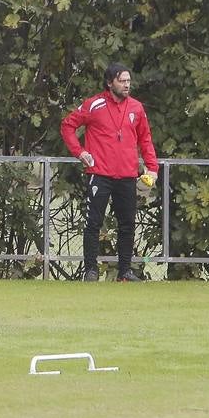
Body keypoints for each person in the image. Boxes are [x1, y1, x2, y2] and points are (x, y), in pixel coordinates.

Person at [60, 62, 159, 282]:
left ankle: (125, 271)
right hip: (100, 173)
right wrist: (80, 152)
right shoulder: (93, 104)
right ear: (109, 82)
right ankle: (91, 270)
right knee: (93, 222)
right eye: (122, 81)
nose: (126, 85)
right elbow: (67, 126)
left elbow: (145, 139)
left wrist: (152, 167)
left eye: (128, 81)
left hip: (127, 174)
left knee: (127, 224)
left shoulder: (136, 108)